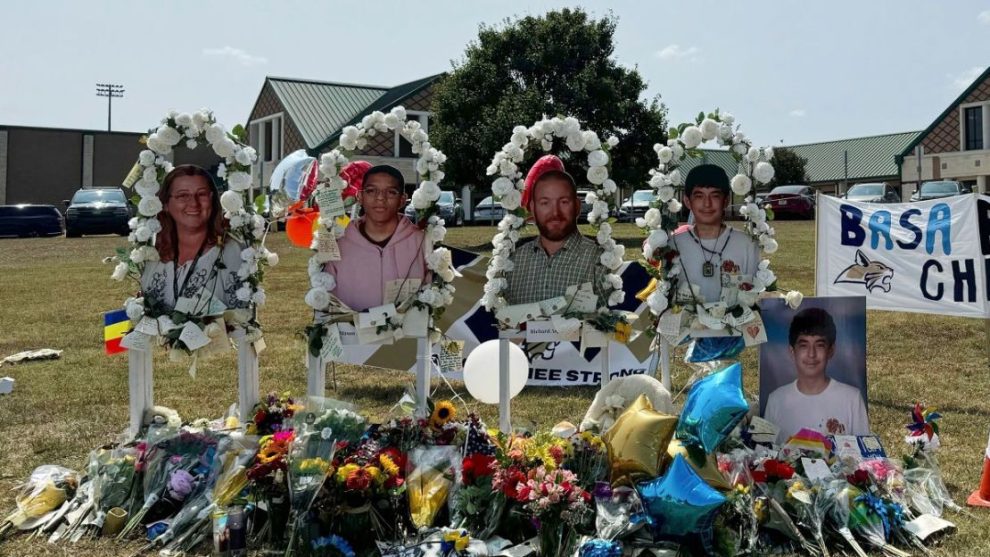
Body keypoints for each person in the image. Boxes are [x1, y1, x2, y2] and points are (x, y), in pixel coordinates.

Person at [503, 155, 604, 306]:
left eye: (563, 202)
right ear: (532, 208)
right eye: (545, 203)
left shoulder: (601, 262)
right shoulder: (512, 262)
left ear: (577, 206)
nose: (555, 212)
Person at [324, 163, 427, 312]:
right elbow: (327, 299)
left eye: (391, 192)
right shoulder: (338, 243)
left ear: (402, 200)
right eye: (371, 191)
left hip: (406, 334)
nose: (380, 198)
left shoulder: (421, 242)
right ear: (360, 196)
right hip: (352, 333)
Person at [141, 164, 243, 312]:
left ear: (212, 199)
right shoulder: (154, 253)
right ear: (165, 204)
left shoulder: (231, 251)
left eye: (201, 194)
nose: (194, 203)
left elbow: (242, 319)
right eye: (183, 195)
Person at [764, 307, 870, 442]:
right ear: (792, 351)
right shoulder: (776, 400)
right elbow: (764, 456)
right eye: (804, 345)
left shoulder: (852, 399)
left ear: (831, 350)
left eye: (819, 345)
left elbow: (865, 458)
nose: (811, 354)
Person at [670, 164, 760, 305]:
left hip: (733, 326)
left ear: (726, 201)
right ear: (688, 201)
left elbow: (754, 296)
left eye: (715, 195)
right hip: (685, 326)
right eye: (699, 196)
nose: (707, 204)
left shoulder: (747, 244)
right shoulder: (673, 244)